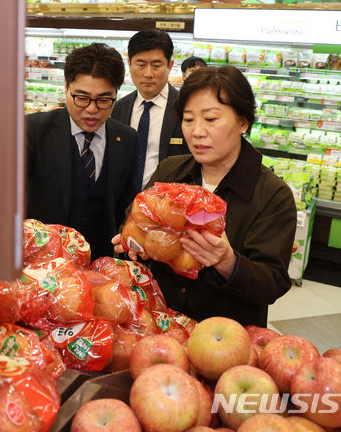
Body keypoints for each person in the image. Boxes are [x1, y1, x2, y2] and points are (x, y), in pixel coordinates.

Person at [112, 65, 297, 327]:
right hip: (161, 325)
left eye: (210, 119)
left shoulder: (272, 195)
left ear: (243, 121)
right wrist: (134, 243)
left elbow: (272, 283)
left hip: (225, 337)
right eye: (188, 120)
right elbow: (136, 221)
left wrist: (228, 262)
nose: (197, 131)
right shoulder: (170, 171)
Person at [27, 43, 138, 260]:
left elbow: (126, 206)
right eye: (82, 97)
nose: (92, 109)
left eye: (104, 100)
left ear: (117, 91)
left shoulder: (127, 138)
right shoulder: (33, 130)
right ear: (66, 85)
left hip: (100, 262)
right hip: (43, 263)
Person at [111, 30, 189, 193]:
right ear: (129, 64)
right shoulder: (118, 108)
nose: (148, 74)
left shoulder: (185, 108)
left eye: (156, 65)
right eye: (140, 65)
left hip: (168, 205)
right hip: (123, 205)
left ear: (170, 66)